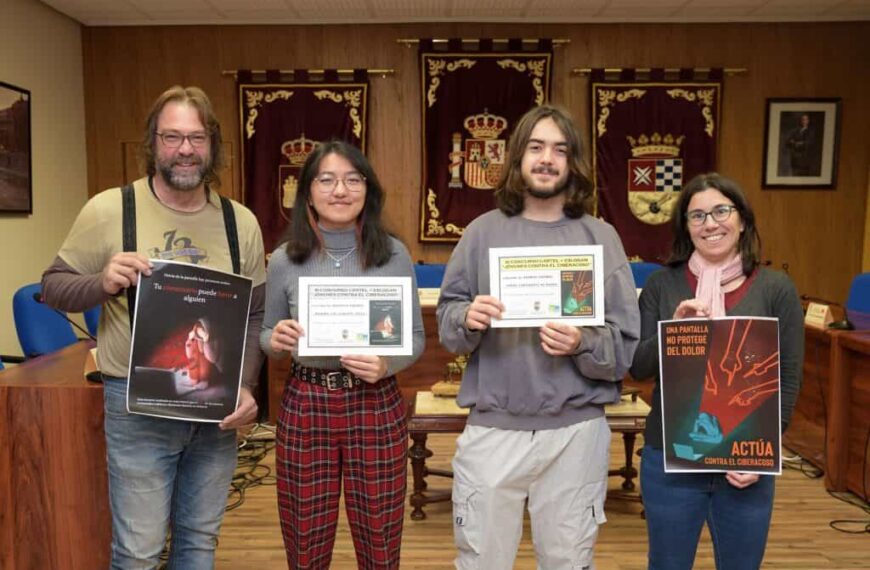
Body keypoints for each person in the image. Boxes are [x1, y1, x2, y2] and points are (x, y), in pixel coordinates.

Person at [41, 85, 267, 568]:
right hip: (136, 409)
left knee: (198, 545)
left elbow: (255, 313)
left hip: (213, 411)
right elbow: (53, 287)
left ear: (213, 144)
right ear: (153, 142)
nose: (185, 149)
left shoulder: (240, 222)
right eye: (172, 137)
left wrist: (246, 385)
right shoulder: (109, 209)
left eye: (197, 137)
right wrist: (102, 282)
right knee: (138, 552)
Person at [436, 104, 640, 570]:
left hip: (576, 432)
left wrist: (582, 343)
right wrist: (468, 316)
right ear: (517, 157)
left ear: (573, 162)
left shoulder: (600, 238)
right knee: (482, 562)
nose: (547, 159)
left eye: (560, 150)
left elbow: (624, 345)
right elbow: (448, 323)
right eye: (536, 147)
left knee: (568, 561)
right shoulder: (481, 233)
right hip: (494, 427)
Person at [261, 140, 425, 569]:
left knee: (380, 540)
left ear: (368, 189)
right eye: (327, 180)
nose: (340, 190)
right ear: (308, 191)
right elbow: (265, 333)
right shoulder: (284, 259)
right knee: (305, 541)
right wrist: (276, 340)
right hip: (307, 403)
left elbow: (415, 337)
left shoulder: (392, 254)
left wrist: (387, 364)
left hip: (375, 401)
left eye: (353, 180)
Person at [629, 172, 804, 570]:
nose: (710, 224)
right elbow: (637, 367)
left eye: (721, 211)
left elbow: (788, 376)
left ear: (742, 220)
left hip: (745, 464)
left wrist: (761, 452)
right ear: (686, 227)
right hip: (671, 460)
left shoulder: (776, 288)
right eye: (697, 216)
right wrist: (673, 331)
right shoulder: (661, 285)